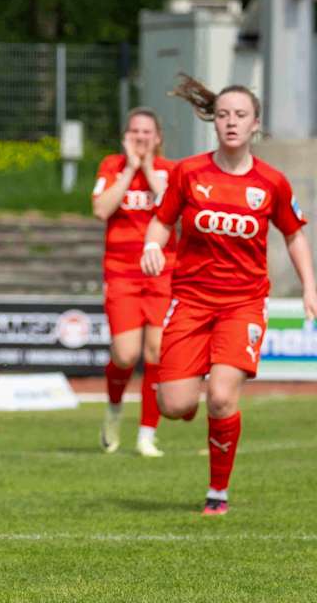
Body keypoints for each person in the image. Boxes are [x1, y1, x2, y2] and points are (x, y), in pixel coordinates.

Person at [141, 74, 316, 516]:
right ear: (213, 122)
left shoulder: (272, 182)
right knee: (176, 404)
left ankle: (217, 491)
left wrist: (310, 288)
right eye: (222, 115)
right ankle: (190, 381)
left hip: (243, 303)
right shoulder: (188, 173)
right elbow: (162, 220)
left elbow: (294, 236)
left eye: (240, 115)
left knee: (221, 396)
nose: (231, 122)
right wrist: (150, 245)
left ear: (255, 124)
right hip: (191, 300)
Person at [91, 108, 177, 457]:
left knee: (156, 352)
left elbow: (174, 209)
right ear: (126, 136)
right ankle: (113, 410)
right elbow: (101, 209)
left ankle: (147, 433)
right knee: (126, 354)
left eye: (147, 132)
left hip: (162, 272)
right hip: (122, 272)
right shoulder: (111, 166)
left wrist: (147, 167)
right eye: (134, 131)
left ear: (157, 137)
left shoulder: (169, 171)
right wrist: (129, 169)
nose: (141, 137)